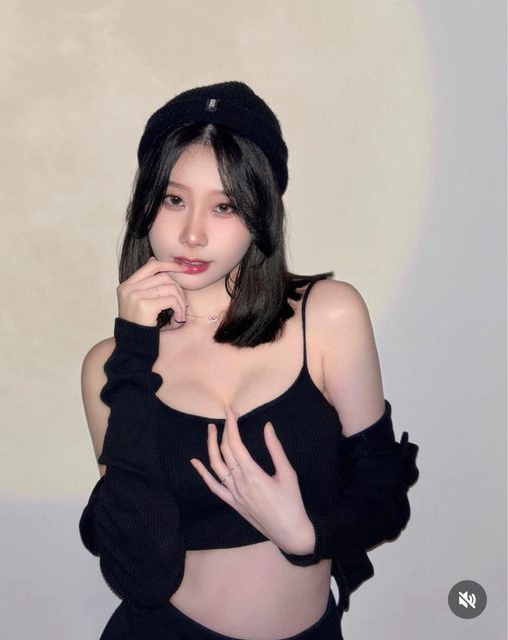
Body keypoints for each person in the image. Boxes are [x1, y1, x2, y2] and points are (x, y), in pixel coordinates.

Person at [78, 82, 419, 640]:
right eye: (174, 200)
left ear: (260, 212)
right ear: (146, 205)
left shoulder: (327, 317)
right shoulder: (111, 366)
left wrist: (305, 535)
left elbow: (382, 491)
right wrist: (136, 350)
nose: (192, 233)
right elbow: (140, 573)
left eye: (224, 206)